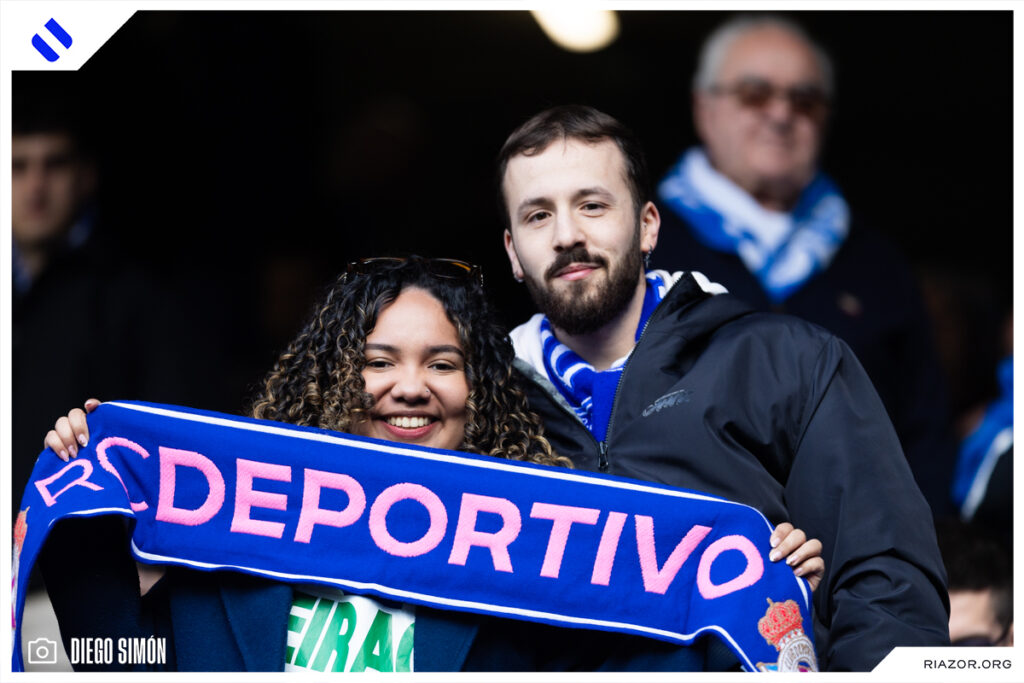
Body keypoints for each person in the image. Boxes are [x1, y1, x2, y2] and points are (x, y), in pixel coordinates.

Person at [36, 256, 822, 672]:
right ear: (329, 380)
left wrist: (752, 587)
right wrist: (82, 499)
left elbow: (653, 663)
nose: (410, 387)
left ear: (482, 393)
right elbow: (115, 655)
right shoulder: (227, 529)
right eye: (378, 361)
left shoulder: (542, 557)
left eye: (443, 364)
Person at [496, 104, 949, 671]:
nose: (567, 235)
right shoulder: (485, 405)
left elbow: (887, 583)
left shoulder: (784, 360)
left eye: (592, 205)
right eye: (538, 216)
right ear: (513, 252)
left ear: (647, 226)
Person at [650, 15, 957, 517]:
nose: (781, 114)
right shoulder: (643, 243)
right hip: (682, 545)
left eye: (805, 100)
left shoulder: (877, 263)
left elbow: (925, 432)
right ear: (704, 108)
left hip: (857, 551)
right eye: (755, 94)